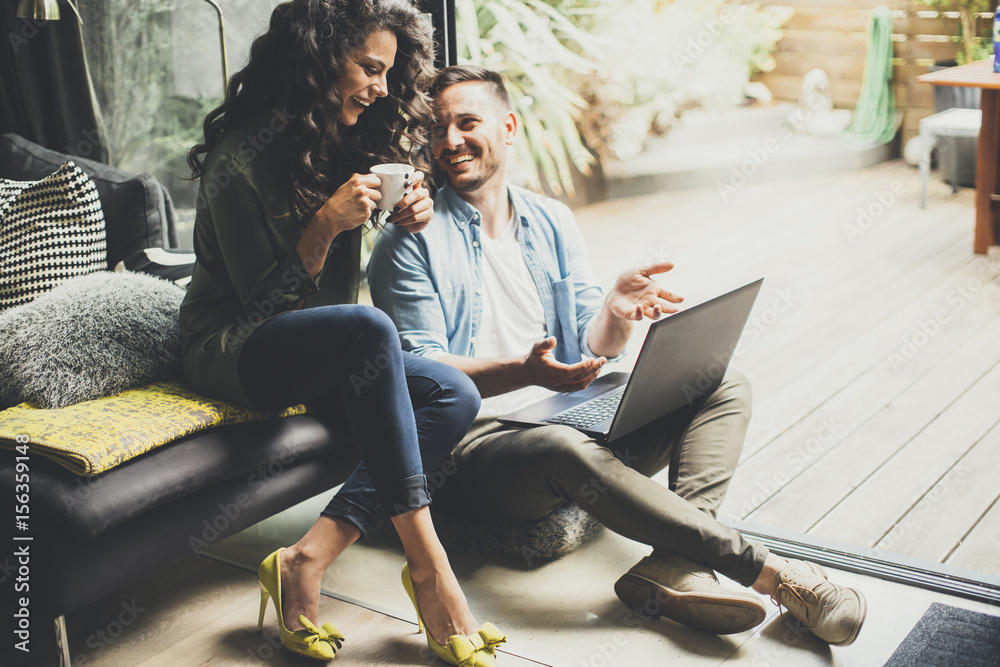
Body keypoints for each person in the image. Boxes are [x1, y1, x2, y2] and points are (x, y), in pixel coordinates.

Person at [368, 65, 867, 646]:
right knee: (562, 446)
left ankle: (672, 564)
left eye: (467, 122)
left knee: (722, 382)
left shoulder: (550, 220)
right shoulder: (408, 244)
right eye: (437, 128)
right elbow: (423, 377)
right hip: (474, 449)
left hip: (568, 412)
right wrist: (524, 373)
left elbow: (592, 346)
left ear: (507, 128)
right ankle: (781, 578)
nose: (450, 140)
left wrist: (614, 311)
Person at [179, 5, 504, 665]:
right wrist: (323, 228)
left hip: (323, 350)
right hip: (231, 347)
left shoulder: (342, 143)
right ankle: (431, 570)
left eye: (387, 72)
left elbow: (341, 300)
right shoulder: (239, 160)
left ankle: (305, 556)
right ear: (317, 62)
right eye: (369, 68)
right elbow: (260, 309)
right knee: (367, 327)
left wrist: (406, 212)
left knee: (453, 394)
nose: (380, 87)